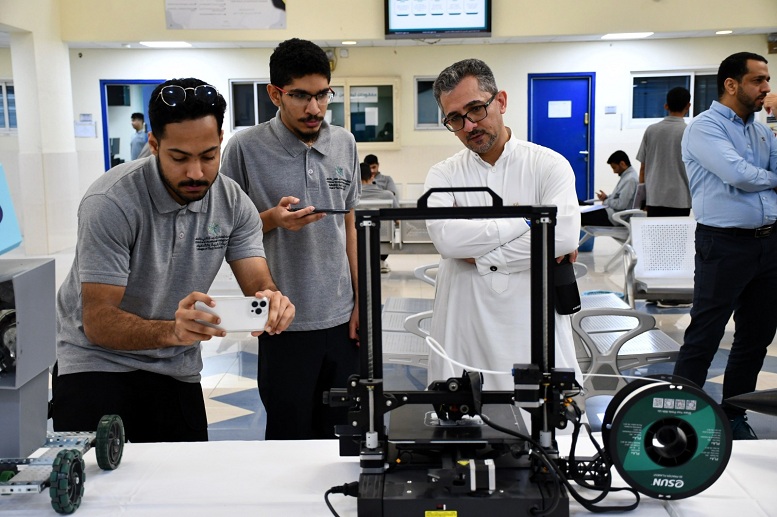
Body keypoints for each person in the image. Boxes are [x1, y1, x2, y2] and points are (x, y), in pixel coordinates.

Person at [51, 78, 295, 443]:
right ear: (154, 144)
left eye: (209, 156)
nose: (196, 173)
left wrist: (273, 300)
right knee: (96, 490)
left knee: (184, 486)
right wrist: (173, 331)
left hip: (176, 369)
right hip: (95, 364)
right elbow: (98, 321)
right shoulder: (112, 201)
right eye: (180, 158)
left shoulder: (232, 202)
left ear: (221, 143)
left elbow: (258, 281)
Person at [220, 38, 361, 440]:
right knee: (289, 434)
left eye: (322, 95)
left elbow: (350, 224)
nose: (314, 108)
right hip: (282, 321)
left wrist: (360, 301)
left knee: (344, 435)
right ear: (275, 94)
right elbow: (228, 232)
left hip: (341, 320)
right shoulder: (245, 149)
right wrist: (272, 219)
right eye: (300, 96)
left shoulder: (344, 143)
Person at [423, 58, 582, 393]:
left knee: (539, 425)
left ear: (502, 101)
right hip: (463, 325)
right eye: (455, 118)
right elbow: (448, 242)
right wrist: (524, 222)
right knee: (463, 429)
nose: (468, 126)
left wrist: (482, 257)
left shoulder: (549, 166)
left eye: (476, 109)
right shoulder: (443, 175)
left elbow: (564, 235)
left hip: (532, 323)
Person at [672, 52, 777, 440]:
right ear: (731, 84)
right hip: (724, 244)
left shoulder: (762, 129)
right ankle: (679, 417)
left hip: (768, 244)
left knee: (756, 337)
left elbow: (760, 175)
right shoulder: (704, 128)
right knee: (705, 335)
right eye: (758, 80)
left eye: (767, 80)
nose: (766, 88)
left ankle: (734, 414)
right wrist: (765, 177)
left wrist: (761, 173)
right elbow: (737, 174)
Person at [636, 87, 692, 217]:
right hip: (681, 199)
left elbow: (643, 168)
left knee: (655, 237)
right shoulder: (690, 132)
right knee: (678, 237)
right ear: (688, 106)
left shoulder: (651, 130)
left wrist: (643, 198)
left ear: (666, 106)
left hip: (654, 198)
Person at [579, 150, 639, 227]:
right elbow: (619, 197)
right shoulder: (627, 177)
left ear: (622, 164)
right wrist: (606, 197)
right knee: (578, 203)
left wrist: (606, 201)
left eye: (614, 168)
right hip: (610, 213)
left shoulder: (630, 179)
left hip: (613, 217)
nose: (614, 171)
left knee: (577, 214)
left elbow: (621, 205)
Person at [363, 154, 398, 272]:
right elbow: (397, 216)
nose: (372, 171)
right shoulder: (387, 194)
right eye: (370, 169)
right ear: (370, 179)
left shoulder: (352, 196)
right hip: (383, 231)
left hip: (360, 230)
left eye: (374, 167)